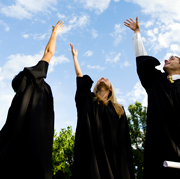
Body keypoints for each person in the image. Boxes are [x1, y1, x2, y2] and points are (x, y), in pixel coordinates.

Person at [0, 20, 64, 179]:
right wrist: (54, 33)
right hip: (35, 143)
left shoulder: (18, 99)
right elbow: (49, 52)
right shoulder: (33, 80)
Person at [124, 16, 180, 179]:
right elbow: (141, 58)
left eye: (172, 58)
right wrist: (137, 33)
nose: (166, 60)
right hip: (158, 154)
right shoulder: (156, 81)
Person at [70, 43, 134, 179]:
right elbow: (80, 77)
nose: (102, 78)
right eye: (100, 79)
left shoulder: (118, 109)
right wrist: (75, 58)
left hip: (113, 160)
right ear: (96, 86)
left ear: (110, 88)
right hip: (91, 158)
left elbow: (125, 140)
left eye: (106, 79)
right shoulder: (87, 100)